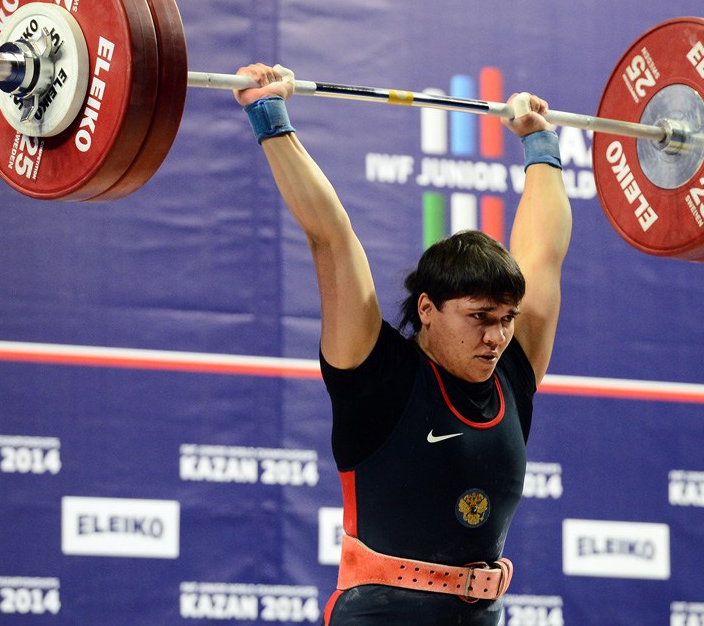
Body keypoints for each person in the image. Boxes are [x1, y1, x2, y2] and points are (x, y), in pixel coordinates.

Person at [235, 63, 572, 625]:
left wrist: (540, 143)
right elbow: (330, 236)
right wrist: (269, 114)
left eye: (506, 319)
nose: (496, 336)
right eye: (479, 318)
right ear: (427, 310)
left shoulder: (513, 372)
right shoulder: (376, 371)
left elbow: (545, 252)